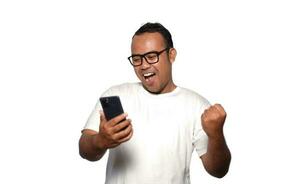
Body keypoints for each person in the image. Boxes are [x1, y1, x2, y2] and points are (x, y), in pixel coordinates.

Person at [79, 22, 231, 183]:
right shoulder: (116, 95)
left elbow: (218, 171)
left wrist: (216, 134)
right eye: (137, 59)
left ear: (171, 55)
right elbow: (84, 150)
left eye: (152, 57)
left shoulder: (197, 106)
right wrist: (100, 141)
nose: (144, 65)